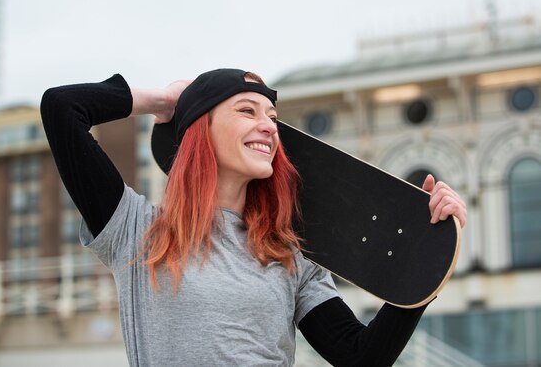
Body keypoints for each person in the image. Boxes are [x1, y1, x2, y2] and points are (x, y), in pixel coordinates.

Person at [40, 68, 466, 367]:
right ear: (200, 129)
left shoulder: (290, 255)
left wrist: (422, 262)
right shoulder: (136, 230)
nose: (268, 126)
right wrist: (166, 101)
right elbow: (62, 108)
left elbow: (360, 356)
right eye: (247, 111)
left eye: (273, 117)